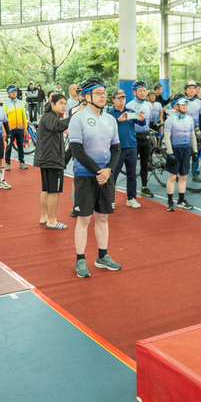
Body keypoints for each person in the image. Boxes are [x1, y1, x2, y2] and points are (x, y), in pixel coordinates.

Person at [68, 77, 122, 279]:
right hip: (85, 176)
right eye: (98, 93)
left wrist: (108, 170)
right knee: (84, 219)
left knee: (103, 217)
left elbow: (116, 149)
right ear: (86, 96)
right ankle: (80, 259)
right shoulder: (78, 118)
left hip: (106, 176)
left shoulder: (110, 119)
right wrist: (98, 171)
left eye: (104, 92)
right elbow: (76, 150)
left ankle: (102, 256)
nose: (103, 96)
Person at [35, 93, 73, 230]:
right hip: (52, 159)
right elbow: (59, 127)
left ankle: (44, 216)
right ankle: (51, 221)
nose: (64, 106)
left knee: (46, 189)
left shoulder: (51, 117)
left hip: (47, 158)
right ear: (52, 104)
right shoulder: (50, 117)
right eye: (61, 103)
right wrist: (74, 115)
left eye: (65, 103)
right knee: (53, 191)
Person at [107, 88, 145, 208]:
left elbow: (142, 124)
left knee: (132, 174)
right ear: (113, 100)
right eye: (119, 98)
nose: (121, 100)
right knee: (113, 175)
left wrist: (142, 120)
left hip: (131, 147)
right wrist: (118, 120)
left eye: (123, 98)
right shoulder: (109, 114)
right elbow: (106, 129)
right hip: (116, 149)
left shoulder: (130, 112)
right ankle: (109, 200)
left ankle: (131, 198)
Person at [163, 94, 197, 211]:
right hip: (175, 150)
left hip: (186, 150)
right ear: (175, 105)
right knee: (172, 177)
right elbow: (166, 137)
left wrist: (195, 151)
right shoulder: (170, 120)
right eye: (183, 103)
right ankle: (170, 202)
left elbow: (192, 136)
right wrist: (170, 153)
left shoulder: (190, 119)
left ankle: (181, 200)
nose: (185, 105)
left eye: (186, 103)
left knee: (183, 176)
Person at [126, 80, 154, 199]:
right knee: (132, 165)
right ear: (134, 92)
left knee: (145, 163)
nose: (143, 93)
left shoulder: (149, 105)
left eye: (144, 90)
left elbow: (148, 120)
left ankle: (144, 187)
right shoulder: (129, 105)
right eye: (140, 91)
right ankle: (131, 191)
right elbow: (128, 120)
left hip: (146, 136)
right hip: (134, 137)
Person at [4, 85, 29, 170]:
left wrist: (25, 127)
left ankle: (21, 162)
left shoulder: (20, 102)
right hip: (10, 130)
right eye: (12, 92)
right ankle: (7, 163)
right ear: (8, 93)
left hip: (20, 128)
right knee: (9, 146)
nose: (14, 93)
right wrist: (4, 131)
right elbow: (3, 118)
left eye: (15, 92)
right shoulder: (6, 104)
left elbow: (24, 115)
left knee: (20, 146)